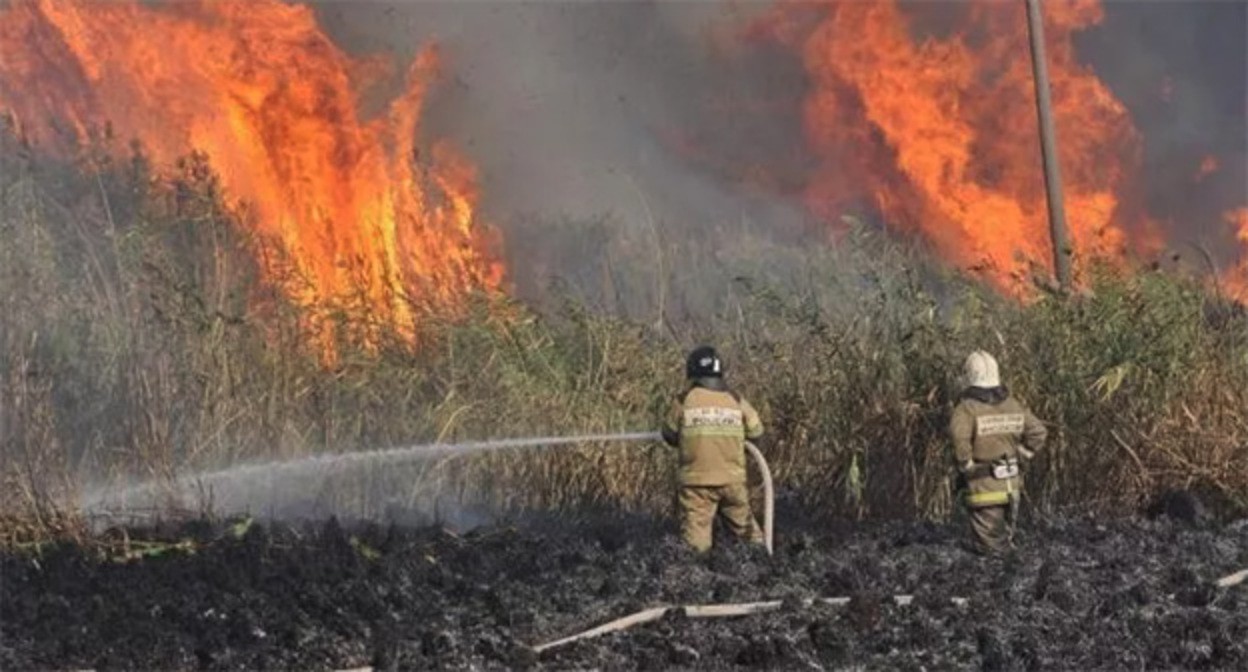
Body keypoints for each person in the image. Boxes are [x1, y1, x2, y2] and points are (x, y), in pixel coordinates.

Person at [661, 346, 765, 552]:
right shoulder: (736, 400)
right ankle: (764, 565)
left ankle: (701, 575)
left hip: (696, 485)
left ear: (692, 374)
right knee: (749, 535)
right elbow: (758, 435)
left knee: (696, 544)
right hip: (732, 482)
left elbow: (669, 435)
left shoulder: (684, 401)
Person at [949, 351, 1047, 554]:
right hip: (1012, 489)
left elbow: (960, 440)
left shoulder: (967, 409)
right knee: (1006, 541)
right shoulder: (1013, 404)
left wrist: (966, 467)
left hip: (985, 490)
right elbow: (1038, 432)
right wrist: (1023, 453)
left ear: (968, 377)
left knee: (991, 552)